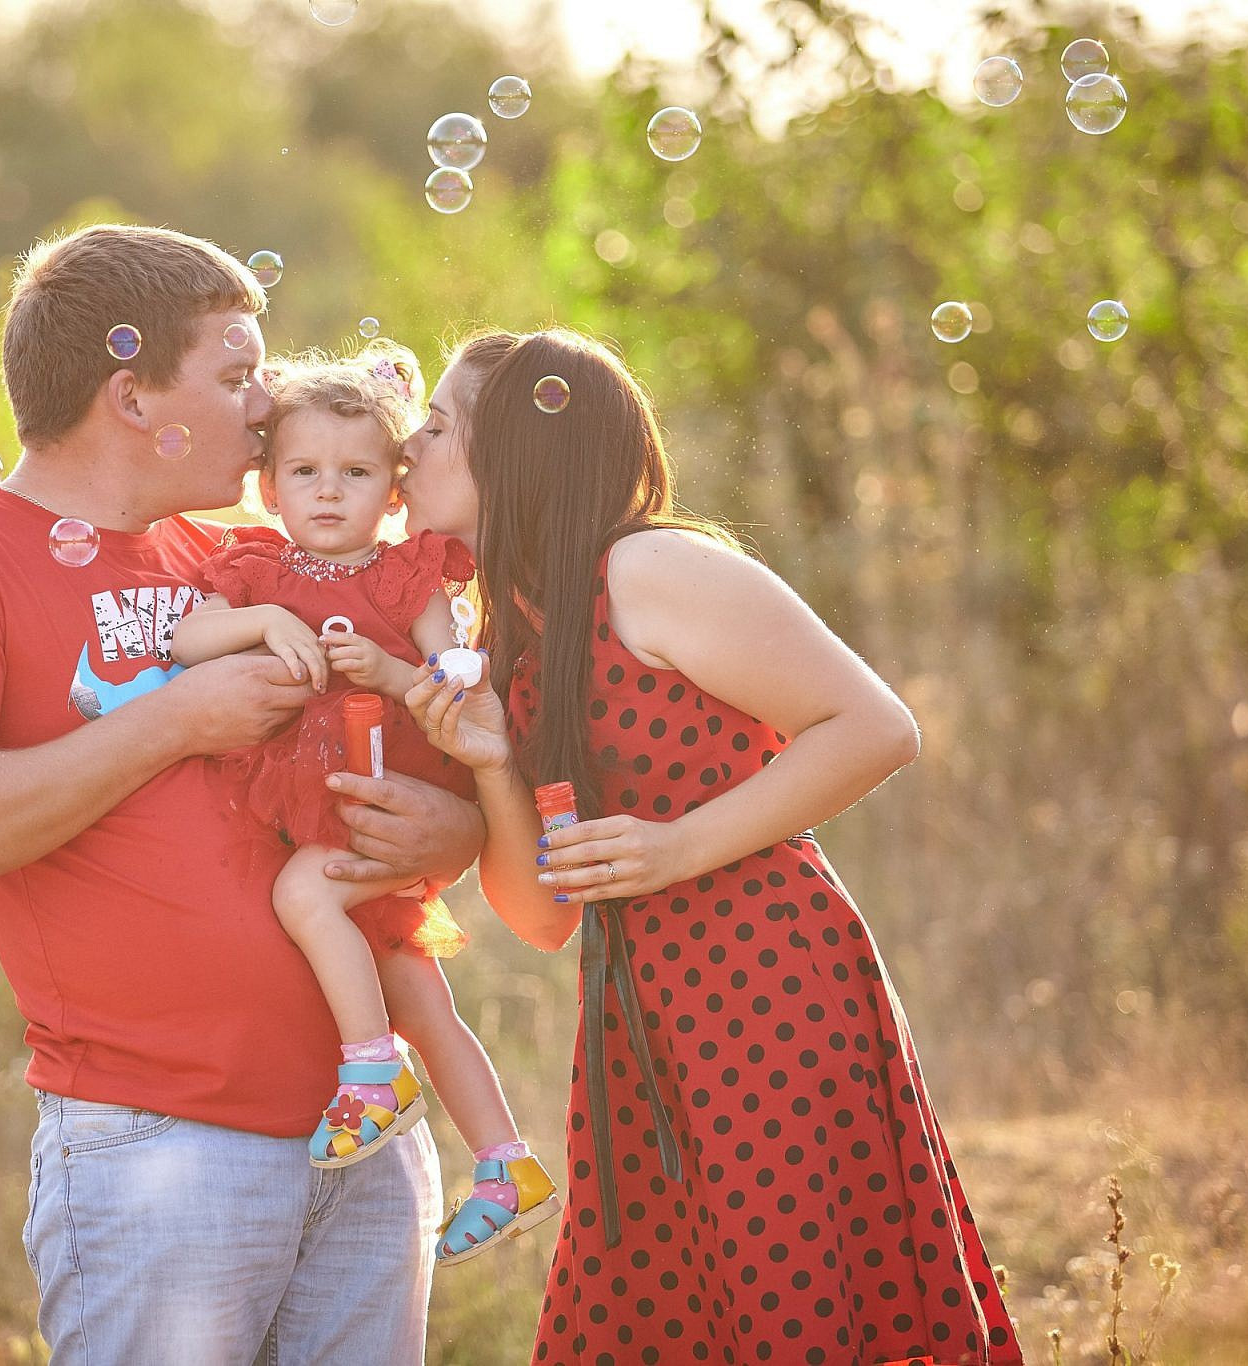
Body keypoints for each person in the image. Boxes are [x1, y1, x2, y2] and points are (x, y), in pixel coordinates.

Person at [0, 224, 485, 1364]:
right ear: (131, 393)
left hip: (366, 1127)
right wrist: (175, 718)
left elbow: (420, 736)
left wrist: (458, 825)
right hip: (163, 1150)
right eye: (237, 374)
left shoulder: (249, 550)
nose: (265, 408)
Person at [390, 327, 1024, 1364]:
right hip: (638, 1014)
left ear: (515, 449)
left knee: (787, 1293)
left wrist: (676, 848)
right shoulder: (509, 632)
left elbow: (873, 727)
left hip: (767, 981)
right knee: (667, 1310)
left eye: (435, 425)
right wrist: (493, 761)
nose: (408, 448)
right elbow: (543, 914)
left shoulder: (648, 567)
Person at [169, 339, 559, 1264]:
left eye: (356, 472)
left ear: (395, 489)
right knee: (423, 997)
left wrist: (385, 668)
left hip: (387, 795)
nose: (329, 492)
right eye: (304, 472)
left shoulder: (404, 575)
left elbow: (453, 670)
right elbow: (185, 642)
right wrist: (265, 623)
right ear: (269, 486)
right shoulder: (258, 570)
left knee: (304, 896)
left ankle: (371, 1072)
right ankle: (508, 1166)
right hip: (322, 793)